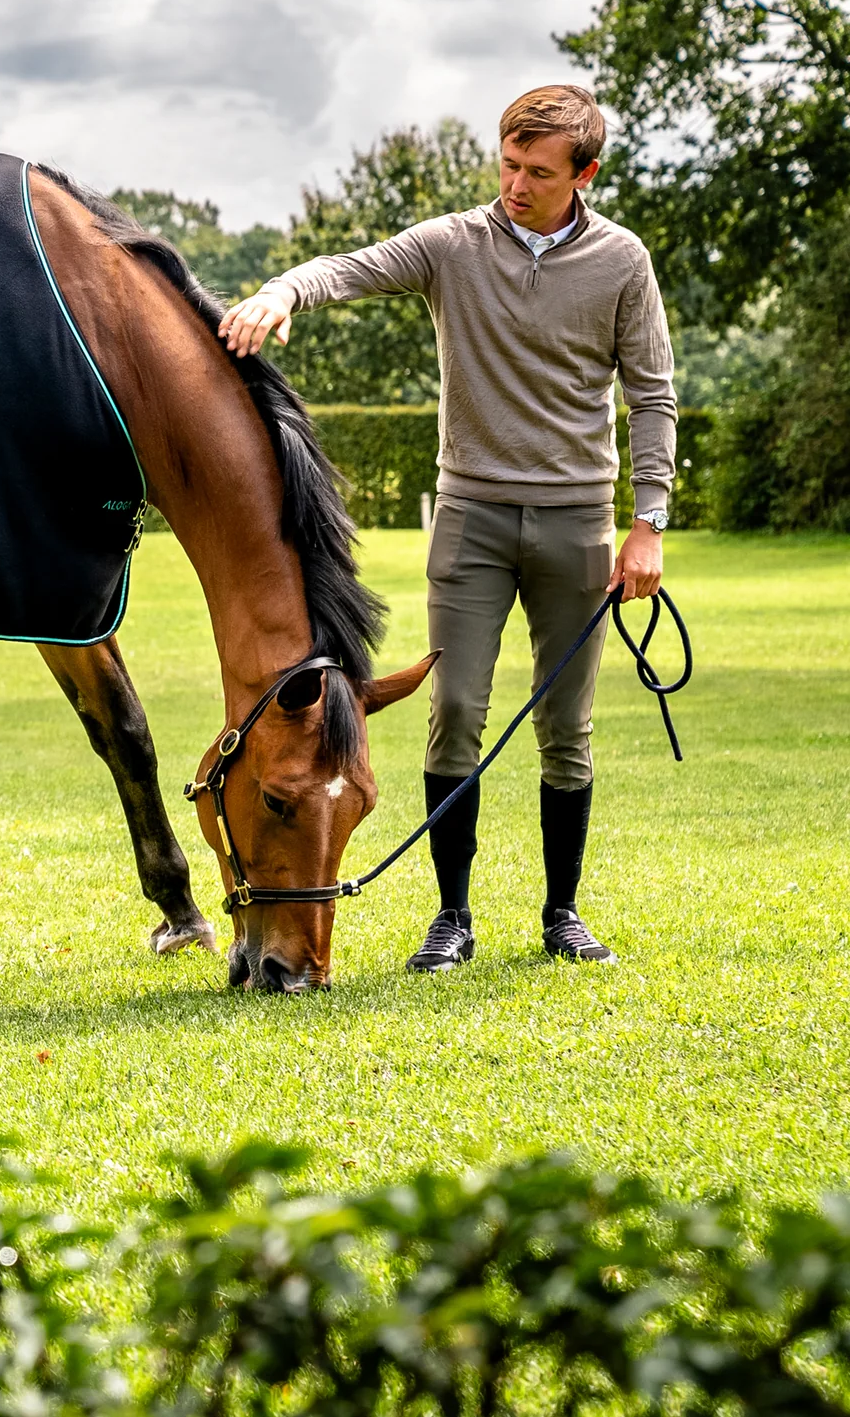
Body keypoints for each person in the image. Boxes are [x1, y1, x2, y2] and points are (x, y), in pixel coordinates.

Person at [217, 84, 674, 970]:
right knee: (455, 710)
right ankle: (452, 917)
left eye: (538, 172)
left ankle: (562, 913)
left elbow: (652, 397)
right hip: (471, 518)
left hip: (578, 521)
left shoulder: (622, 262)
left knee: (566, 726)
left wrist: (647, 522)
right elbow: (349, 268)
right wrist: (281, 293)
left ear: (584, 174)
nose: (517, 184)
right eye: (509, 164)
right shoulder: (453, 245)